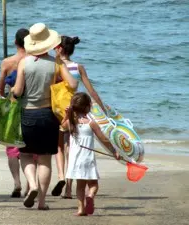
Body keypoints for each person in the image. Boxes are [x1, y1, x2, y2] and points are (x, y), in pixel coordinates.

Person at [12, 23, 78, 210]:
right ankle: (41, 201)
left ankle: (31, 185)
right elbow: (72, 84)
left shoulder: (24, 62)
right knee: (45, 159)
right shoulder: (56, 62)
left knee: (25, 154)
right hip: (48, 115)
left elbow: (17, 91)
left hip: (27, 114)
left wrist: (14, 93)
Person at [53, 36, 107, 198]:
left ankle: (62, 176)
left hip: (57, 110)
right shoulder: (78, 67)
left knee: (59, 147)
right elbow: (91, 91)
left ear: (60, 48)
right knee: (71, 147)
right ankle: (69, 188)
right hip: (75, 110)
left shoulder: (55, 66)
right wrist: (103, 109)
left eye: (55, 47)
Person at [61, 92, 120, 216]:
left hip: (75, 160)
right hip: (88, 159)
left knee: (80, 186)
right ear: (88, 107)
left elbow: (62, 126)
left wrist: (67, 115)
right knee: (93, 184)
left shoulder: (71, 123)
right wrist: (114, 151)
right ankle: (91, 195)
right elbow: (103, 139)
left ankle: (81, 209)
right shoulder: (91, 123)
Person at [0, 28, 31, 198]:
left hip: (12, 105)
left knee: (12, 148)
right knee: (30, 149)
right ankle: (29, 185)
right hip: (30, 106)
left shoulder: (7, 62)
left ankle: (17, 182)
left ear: (15, 42)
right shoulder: (33, 60)